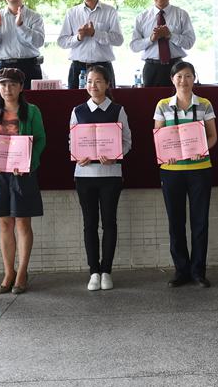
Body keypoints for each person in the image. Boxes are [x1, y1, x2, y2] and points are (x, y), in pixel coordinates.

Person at [0, 67, 46, 295]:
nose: (7, 89)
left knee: (23, 224)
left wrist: (27, 163)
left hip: (23, 174)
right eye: (3, 84)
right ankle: (8, 272)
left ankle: (22, 272)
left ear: (21, 87)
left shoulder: (32, 111)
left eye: (13, 84)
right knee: (5, 224)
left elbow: (40, 140)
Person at [153, 61, 218, 287]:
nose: (184, 80)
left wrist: (202, 148)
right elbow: (159, 137)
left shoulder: (205, 104)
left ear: (194, 78)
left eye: (188, 76)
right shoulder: (162, 105)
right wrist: (166, 153)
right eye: (179, 76)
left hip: (200, 170)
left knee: (200, 222)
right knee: (176, 222)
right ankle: (181, 271)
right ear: (172, 79)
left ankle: (198, 271)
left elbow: (213, 136)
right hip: (171, 171)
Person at [69, 65, 132, 291]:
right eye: (89, 81)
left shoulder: (117, 110)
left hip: (110, 175)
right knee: (89, 224)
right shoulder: (78, 111)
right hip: (84, 175)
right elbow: (72, 141)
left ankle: (106, 271)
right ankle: (93, 272)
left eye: (97, 81)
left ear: (107, 84)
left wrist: (115, 156)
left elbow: (127, 141)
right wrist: (78, 155)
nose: (93, 85)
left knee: (109, 223)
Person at [57, 0, 124, 89]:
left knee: (107, 100)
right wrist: (78, 37)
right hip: (78, 69)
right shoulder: (72, 13)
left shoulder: (110, 11)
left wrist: (95, 33)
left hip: (103, 68)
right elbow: (62, 41)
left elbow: (118, 40)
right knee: (75, 100)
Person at [131, 0, 196, 87]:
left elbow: (189, 43)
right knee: (151, 98)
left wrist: (170, 36)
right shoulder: (142, 17)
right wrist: (151, 39)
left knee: (177, 98)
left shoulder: (181, 14)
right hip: (151, 68)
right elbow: (134, 46)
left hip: (176, 67)